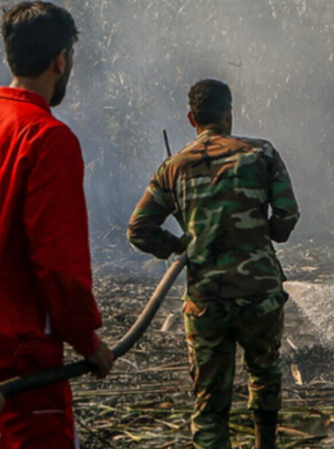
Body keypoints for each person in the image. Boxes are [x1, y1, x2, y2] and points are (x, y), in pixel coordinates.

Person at [128, 78, 299, 449]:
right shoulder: (262, 153)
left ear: (192, 119)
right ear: (228, 112)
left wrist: (178, 244)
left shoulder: (172, 168)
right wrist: (261, 233)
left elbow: (138, 230)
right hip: (260, 296)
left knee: (209, 404)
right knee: (265, 377)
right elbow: (287, 216)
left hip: (207, 302)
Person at [0, 1, 115, 449]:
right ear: (61, 60)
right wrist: (88, 341)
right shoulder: (47, 138)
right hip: (21, 369)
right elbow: (58, 266)